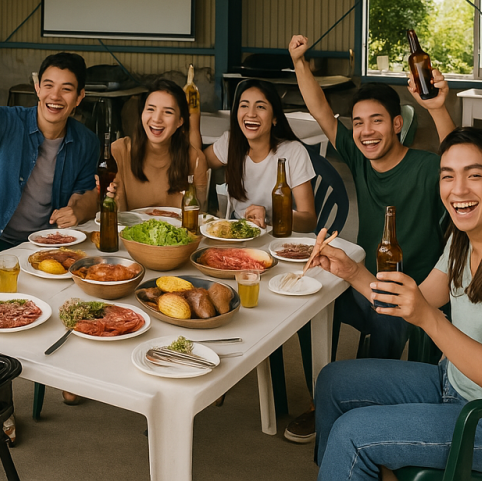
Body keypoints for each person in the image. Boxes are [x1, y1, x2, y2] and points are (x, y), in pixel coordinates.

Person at [311, 127, 482, 480]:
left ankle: (352, 464)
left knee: (353, 433)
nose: (458, 189)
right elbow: (416, 301)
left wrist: (430, 319)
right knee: (333, 381)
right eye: (448, 177)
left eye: (474, 175)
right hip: (456, 385)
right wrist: (352, 271)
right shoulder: (462, 241)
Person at [282, 34, 453, 444]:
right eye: (358, 122)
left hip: (417, 289)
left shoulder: (427, 167)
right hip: (360, 278)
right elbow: (320, 109)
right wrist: (299, 61)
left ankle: (368, 402)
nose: (365, 131)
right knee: (306, 303)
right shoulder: (360, 158)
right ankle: (318, 399)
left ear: (397, 124)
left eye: (376, 120)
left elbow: (460, 158)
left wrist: (439, 108)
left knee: (388, 315)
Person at [0, 35, 99, 415]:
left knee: (85, 286)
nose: (55, 95)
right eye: (48, 85)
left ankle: (64, 372)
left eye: (67, 89)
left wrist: (78, 211)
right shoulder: (10, 122)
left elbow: (88, 193)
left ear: (79, 97)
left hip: (45, 247)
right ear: (36, 87)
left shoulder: (85, 141)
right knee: (1, 316)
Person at [197, 78, 317, 232]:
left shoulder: (293, 152)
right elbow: (197, 164)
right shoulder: (229, 143)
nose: (251, 114)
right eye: (244, 106)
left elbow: (309, 221)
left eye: (260, 106)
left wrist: (274, 216)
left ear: (275, 118)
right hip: (237, 231)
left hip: (277, 235)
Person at [111, 78, 209, 212]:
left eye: (168, 112)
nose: (157, 119)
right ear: (142, 114)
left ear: (180, 121)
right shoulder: (119, 152)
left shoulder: (195, 159)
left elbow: (199, 217)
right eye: (150, 109)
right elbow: (117, 215)